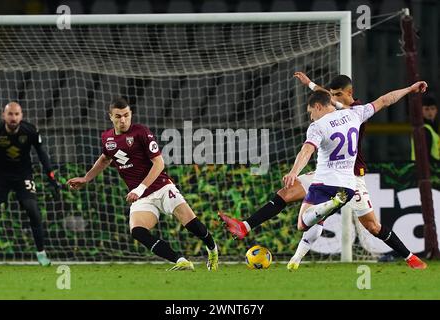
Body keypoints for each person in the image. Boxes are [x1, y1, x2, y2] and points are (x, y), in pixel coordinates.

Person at [219, 74, 428, 270]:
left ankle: (409, 256)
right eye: (333, 95)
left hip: (354, 177)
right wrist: (310, 85)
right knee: (287, 194)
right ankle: (249, 229)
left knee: (372, 226)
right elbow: (382, 100)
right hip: (327, 174)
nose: (334, 98)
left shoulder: (353, 110)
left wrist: (293, 171)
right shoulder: (350, 112)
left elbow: (308, 147)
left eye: (338, 95)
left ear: (349, 93)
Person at [67, 98, 218, 271]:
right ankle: (180, 260)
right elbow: (105, 159)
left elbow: (159, 163)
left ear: (130, 114)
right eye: (118, 116)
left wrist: (140, 188)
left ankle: (212, 249)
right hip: (141, 196)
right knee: (137, 231)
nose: (123, 120)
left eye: (126, 115)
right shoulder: (107, 138)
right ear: (110, 117)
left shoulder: (141, 132)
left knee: (192, 225)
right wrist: (86, 178)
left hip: (161, 187)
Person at [0, 102, 61, 266]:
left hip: (23, 175)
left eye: (16, 114)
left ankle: (41, 254)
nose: (13, 117)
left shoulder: (30, 131)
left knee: (33, 210)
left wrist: (52, 178)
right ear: (3, 116)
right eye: (10, 114)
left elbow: (42, 154)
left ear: (21, 116)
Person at [411, 95, 439, 162]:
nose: (430, 112)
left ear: (436, 110)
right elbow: (426, 157)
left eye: (432, 108)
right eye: (426, 109)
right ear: (421, 111)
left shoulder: (430, 129)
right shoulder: (424, 130)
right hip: (428, 170)